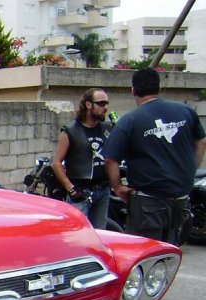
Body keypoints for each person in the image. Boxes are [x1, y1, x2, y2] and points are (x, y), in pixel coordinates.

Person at [104, 68, 206, 245]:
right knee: (170, 249)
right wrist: (190, 170)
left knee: (145, 251)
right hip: (180, 199)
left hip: (147, 202)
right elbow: (201, 141)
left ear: (133, 90)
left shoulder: (130, 120)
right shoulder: (185, 111)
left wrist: (118, 187)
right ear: (158, 88)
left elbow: (110, 159)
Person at [50, 88, 112, 229]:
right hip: (81, 191)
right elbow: (56, 163)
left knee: (99, 233)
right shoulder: (70, 131)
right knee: (78, 232)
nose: (105, 107)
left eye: (106, 103)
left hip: (103, 189)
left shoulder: (107, 129)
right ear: (88, 105)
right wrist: (70, 188)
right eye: (101, 103)